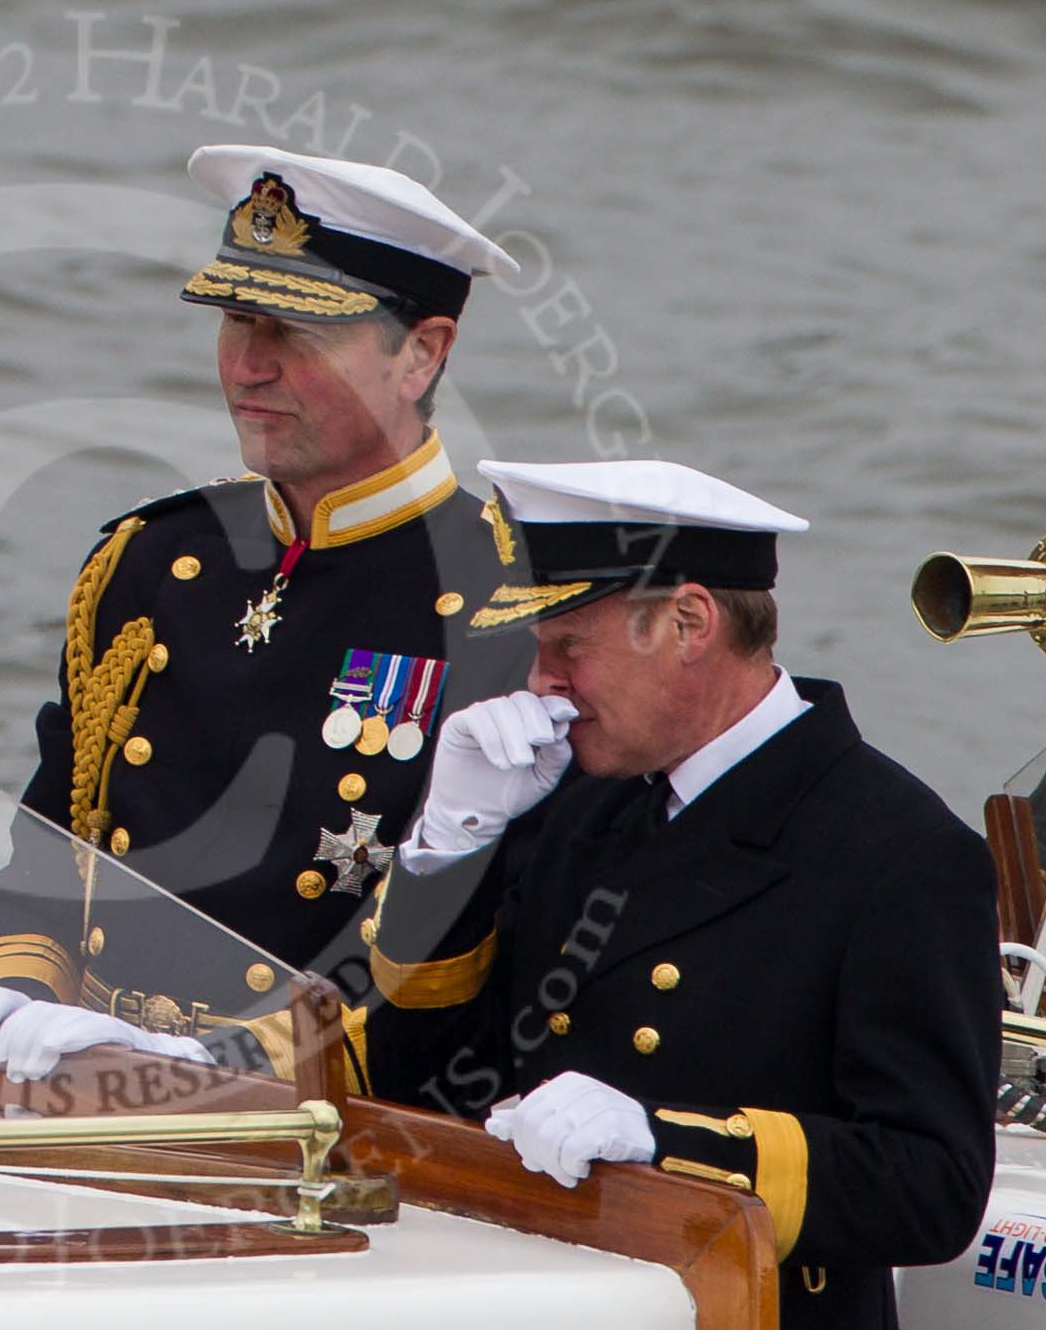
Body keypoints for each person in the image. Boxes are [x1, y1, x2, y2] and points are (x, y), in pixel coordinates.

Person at [0, 145, 535, 1089]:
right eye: (237, 318)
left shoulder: (510, 606)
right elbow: (54, 849)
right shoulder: (149, 561)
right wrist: (12, 997)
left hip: (336, 1123)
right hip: (81, 1090)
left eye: (300, 332)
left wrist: (220, 1069)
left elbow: (474, 953)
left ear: (421, 354)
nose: (251, 365)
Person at [385, 458, 998, 1330]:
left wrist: (665, 1141)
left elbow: (931, 1182)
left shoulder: (899, 851)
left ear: (689, 621)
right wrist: (448, 850)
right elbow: (432, 1078)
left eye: (568, 646)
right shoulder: (581, 802)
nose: (541, 684)